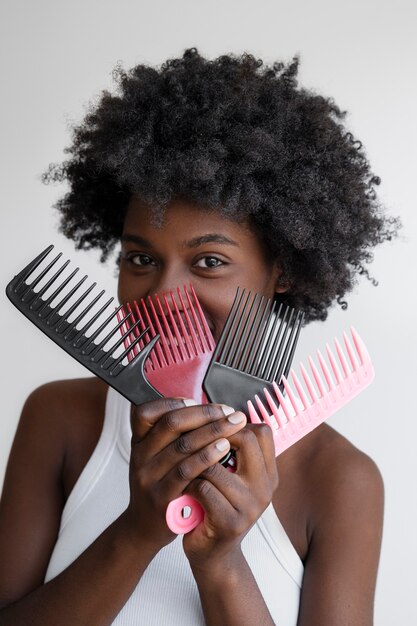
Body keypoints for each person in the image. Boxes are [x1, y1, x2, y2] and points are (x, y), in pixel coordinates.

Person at [0, 48, 397, 625]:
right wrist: (138, 531)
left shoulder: (339, 478)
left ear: (282, 270)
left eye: (209, 261)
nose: (164, 293)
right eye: (140, 257)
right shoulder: (60, 417)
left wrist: (221, 562)